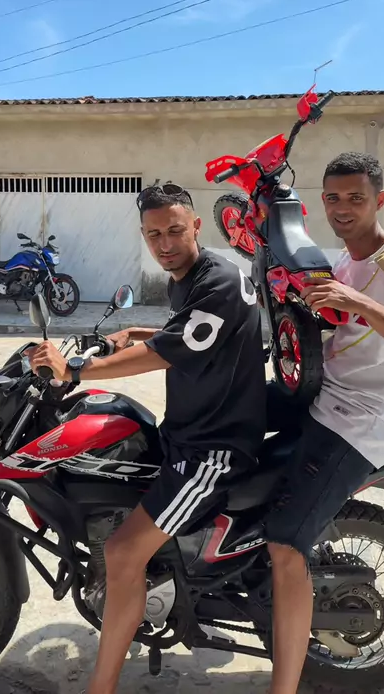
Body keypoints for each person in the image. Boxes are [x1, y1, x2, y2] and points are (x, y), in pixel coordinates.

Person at [28, 182, 267, 694]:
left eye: (175, 230)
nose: (165, 243)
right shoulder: (196, 274)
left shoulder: (217, 280)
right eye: (154, 234)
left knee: (121, 553)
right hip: (191, 430)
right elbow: (190, 332)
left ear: (196, 226)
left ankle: (101, 687)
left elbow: (168, 352)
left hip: (213, 449)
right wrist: (135, 333)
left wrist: (75, 370)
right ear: (143, 235)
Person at [263, 151, 384, 694]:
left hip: (363, 420)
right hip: (327, 393)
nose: (342, 208)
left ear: (380, 200)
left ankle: (284, 687)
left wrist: (360, 303)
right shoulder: (344, 260)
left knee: (285, 545)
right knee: (223, 412)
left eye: (356, 198)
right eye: (333, 198)